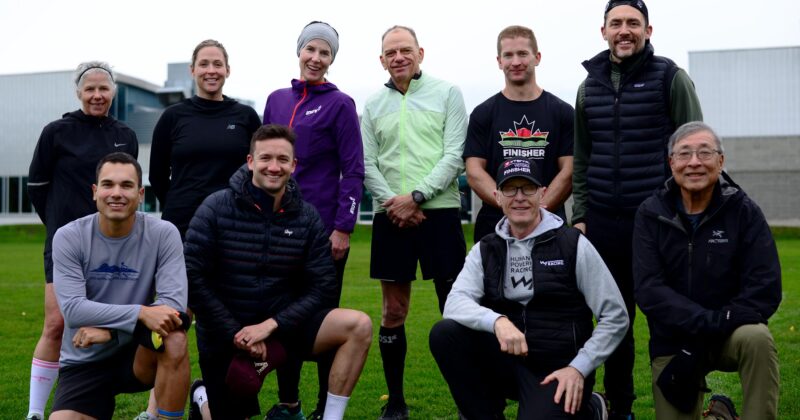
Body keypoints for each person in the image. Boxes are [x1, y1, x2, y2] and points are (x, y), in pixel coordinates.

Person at [184, 124, 372, 420]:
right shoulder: (215, 208)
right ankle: (203, 396)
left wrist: (272, 325)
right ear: (250, 162)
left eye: (283, 159)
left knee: (358, 325)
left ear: (294, 165)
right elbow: (192, 278)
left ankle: (330, 418)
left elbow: (323, 285)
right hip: (226, 334)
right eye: (265, 158)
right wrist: (237, 333)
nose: (274, 167)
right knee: (232, 405)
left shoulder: (306, 216)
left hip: (283, 330)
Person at [571, 1, 703, 417]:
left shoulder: (670, 77)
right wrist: (580, 214)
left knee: (668, 319)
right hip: (604, 225)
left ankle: (678, 405)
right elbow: (582, 157)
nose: (624, 30)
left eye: (633, 23)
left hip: (660, 224)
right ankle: (621, 407)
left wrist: (689, 214)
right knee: (615, 319)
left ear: (648, 30)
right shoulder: (587, 87)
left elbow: (693, 151)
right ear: (603, 31)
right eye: (616, 23)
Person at [430, 158, 628, 419]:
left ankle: (591, 408)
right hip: (507, 359)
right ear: (497, 196)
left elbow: (615, 315)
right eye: (510, 189)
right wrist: (498, 321)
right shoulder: (485, 249)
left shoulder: (572, 244)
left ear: (543, 194)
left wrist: (579, 367)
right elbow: (454, 304)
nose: (519, 197)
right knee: (446, 334)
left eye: (528, 188)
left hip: (560, 368)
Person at [633, 122, 781, 419]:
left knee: (758, 339)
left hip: (731, 333)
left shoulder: (744, 211)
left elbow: (765, 286)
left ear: (721, 161)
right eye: (684, 154)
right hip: (674, 341)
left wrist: (722, 322)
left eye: (705, 153)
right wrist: (708, 322)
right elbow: (649, 290)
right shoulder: (651, 213)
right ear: (671, 162)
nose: (695, 162)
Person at [361, 25, 468, 419]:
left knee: (454, 310)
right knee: (393, 311)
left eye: (406, 50)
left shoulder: (448, 93)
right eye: (391, 52)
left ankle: (467, 401)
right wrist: (394, 204)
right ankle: (397, 403)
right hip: (392, 217)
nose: (399, 57)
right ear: (382, 60)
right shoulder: (372, 104)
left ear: (420, 53)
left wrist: (417, 196)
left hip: (438, 213)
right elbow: (367, 163)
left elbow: (455, 153)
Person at [262, 21, 364, 420]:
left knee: (323, 322)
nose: (316, 59)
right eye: (311, 50)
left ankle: (326, 406)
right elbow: (262, 161)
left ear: (332, 59)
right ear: (299, 52)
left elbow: (353, 170)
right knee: (282, 316)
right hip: (276, 229)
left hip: (323, 233)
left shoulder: (341, 104)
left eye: (325, 53)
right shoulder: (275, 99)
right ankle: (289, 404)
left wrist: (343, 227)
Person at [26, 61, 139, 420]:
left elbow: (127, 189)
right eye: (89, 88)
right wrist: (60, 227)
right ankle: (34, 411)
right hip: (66, 244)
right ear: (78, 92)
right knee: (57, 323)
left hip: (112, 244)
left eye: (103, 89)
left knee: (104, 321)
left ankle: (91, 394)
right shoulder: (56, 131)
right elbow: (37, 188)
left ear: (113, 93)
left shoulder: (125, 134)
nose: (96, 95)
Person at [49, 152, 189, 420]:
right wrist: (140, 313)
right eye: (108, 184)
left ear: (140, 194)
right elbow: (74, 311)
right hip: (84, 358)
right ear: (95, 191)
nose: (116, 193)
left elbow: (174, 309)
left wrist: (113, 333)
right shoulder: (69, 237)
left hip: (139, 353)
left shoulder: (164, 233)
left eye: (126, 186)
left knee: (175, 338)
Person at [464, 25, 574, 242]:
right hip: (494, 225)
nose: (515, 62)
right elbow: (474, 172)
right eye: (508, 55)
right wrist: (509, 205)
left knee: (552, 278)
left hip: (549, 223)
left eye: (523, 53)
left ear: (537, 57)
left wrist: (536, 207)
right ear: (499, 61)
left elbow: (569, 171)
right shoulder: (483, 113)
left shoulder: (562, 112)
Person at [149, 39, 262, 238]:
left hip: (234, 223)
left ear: (227, 70)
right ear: (192, 70)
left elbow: (259, 170)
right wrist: (178, 203)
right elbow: (157, 175)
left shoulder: (246, 116)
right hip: (182, 224)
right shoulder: (173, 116)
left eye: (217, 64)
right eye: (204, 64)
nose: (211, 70)